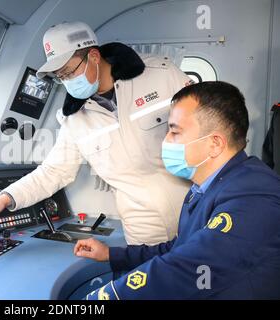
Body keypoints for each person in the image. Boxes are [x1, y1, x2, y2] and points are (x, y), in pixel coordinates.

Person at [0, 21, 193, 245]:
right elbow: (53, 171)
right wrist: (6, 198)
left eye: (69, 72)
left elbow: (209, 123)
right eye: (60, 77)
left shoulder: (161, 73)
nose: (67, 81)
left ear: (93, 56)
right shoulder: (74, 119)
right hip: (144, 227)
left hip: (195, 206)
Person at [75, 81, 280, 299]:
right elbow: (179, 249)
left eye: (175, 132)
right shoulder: (203, 188)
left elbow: (190, 266)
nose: (166, 141)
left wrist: (105, 297)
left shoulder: (255, 195)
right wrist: (112, 254)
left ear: (215, 143)